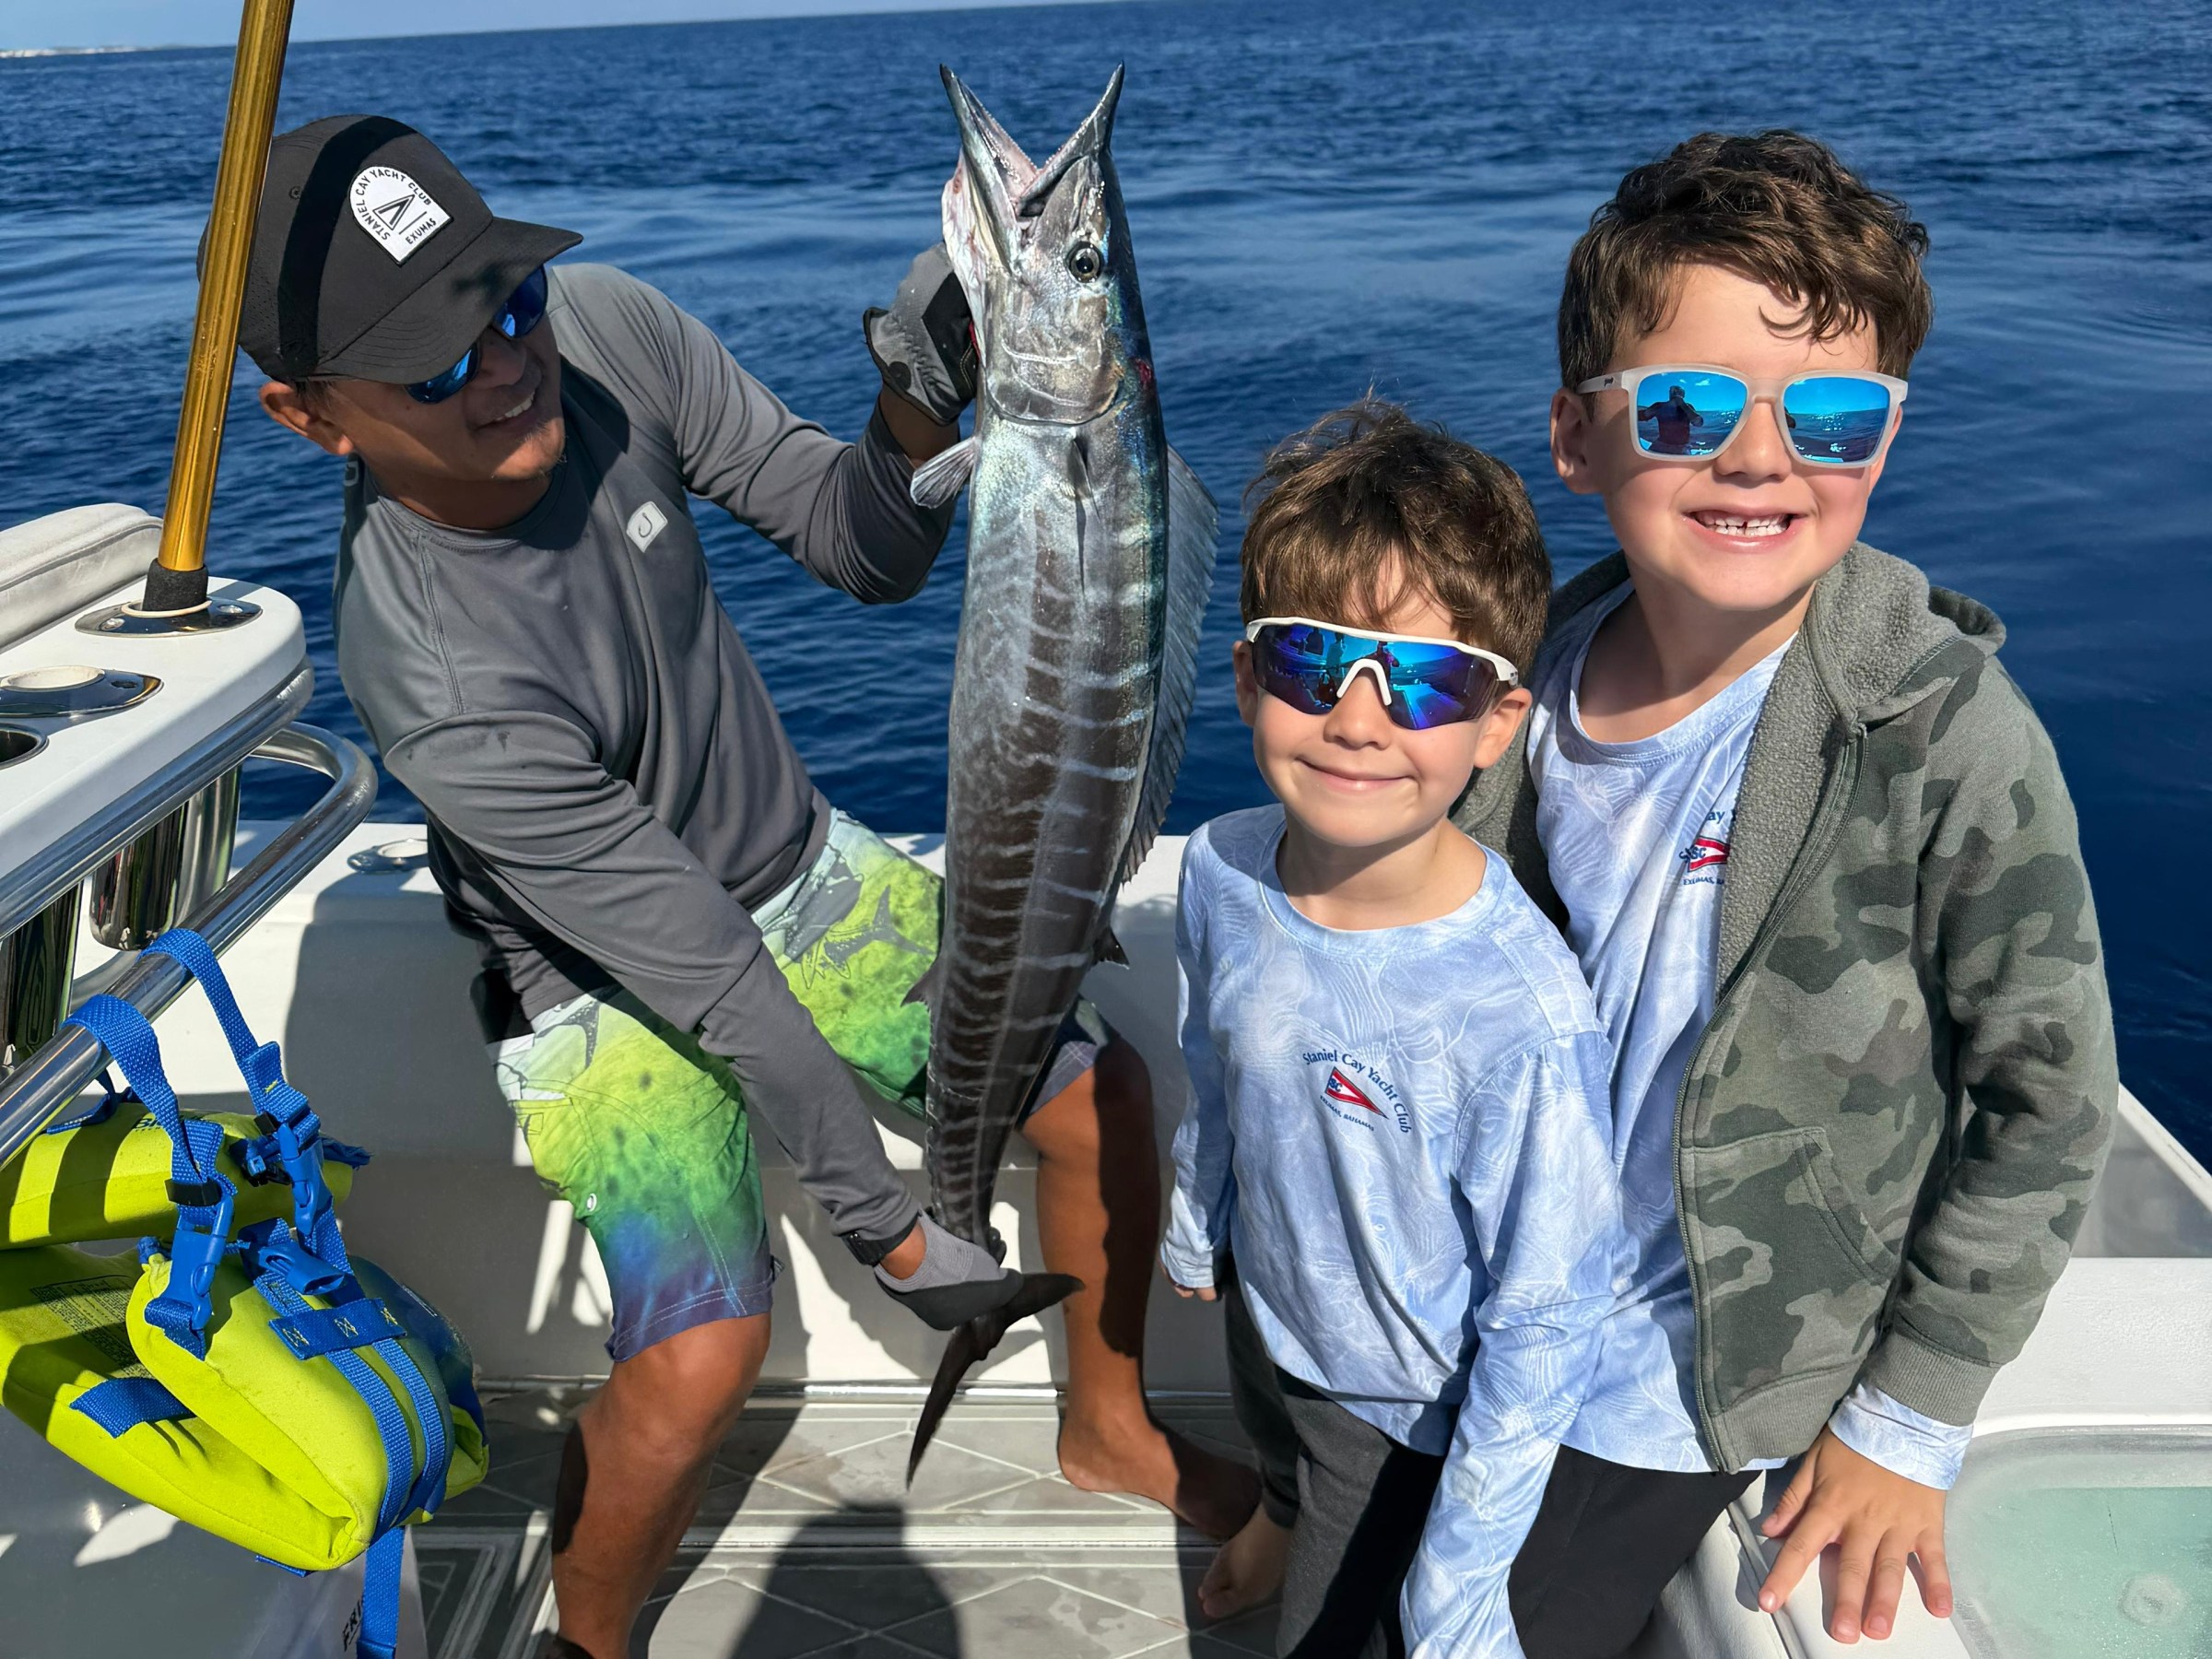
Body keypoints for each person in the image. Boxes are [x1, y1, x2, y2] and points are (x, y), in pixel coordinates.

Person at [241, 116, 1253, 1659]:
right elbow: (703, 969)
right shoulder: (432, 674)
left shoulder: (604, 332)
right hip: (598, 986)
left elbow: (859, 547)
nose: (507, 361)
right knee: (706, 1352)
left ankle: (1105, 1427)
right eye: (436, 364)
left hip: (793, 866)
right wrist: (897, 1236)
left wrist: (919, 406)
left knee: (1099, 1099)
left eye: (504, 299)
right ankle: (588, 1637)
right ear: (310, 419)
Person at [1463, 131, 2116, 1654]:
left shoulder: (1945, 731)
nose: (1762, 461)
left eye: (1831, 414)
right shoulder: (1514, 686)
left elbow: (2053, 1095)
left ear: (1885, 436)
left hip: (1683, 1381)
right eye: (1688, 408)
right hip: (1485, 1319)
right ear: (1578, 434)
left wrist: (1910, 1416)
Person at [1159, 402, 1623, 1658]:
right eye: (1315, 663)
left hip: (1400, 1409)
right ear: (1250, 677)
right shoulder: (1220, 867)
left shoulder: (1515, 1011)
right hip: (1271, 1302)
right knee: (1274, 1430)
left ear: (1496, 722)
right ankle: (1273, 1509)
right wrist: (1202, 1210)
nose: (1360, 720)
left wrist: (1463, 1585)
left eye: (1423, 681)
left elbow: (1545, 1316)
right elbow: (1217, 1055)